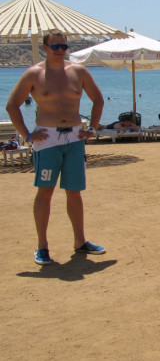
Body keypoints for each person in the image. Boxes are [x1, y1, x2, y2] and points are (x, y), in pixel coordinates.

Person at [5, 29, 106, 265]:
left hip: (74, 137)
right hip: (47, 139)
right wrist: (27, 135)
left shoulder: (78, 71)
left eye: (64, 46)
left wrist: (92, 128)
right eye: (56, 46)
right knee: (45, 191)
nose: (60, 50)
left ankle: (80, 241)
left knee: (74, 191)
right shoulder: (34, 74)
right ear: (45, 48)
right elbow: (12, 105)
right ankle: (42, 246)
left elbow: (98, 100)